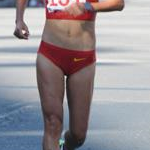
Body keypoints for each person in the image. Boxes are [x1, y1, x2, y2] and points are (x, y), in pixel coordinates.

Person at [14, 0, 124, 150]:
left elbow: (118, 3)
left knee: (78, 135)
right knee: (52, 122)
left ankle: (65, 146)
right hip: (50, 53)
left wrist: (89, 6)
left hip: (83, 58)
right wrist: (19, 20)